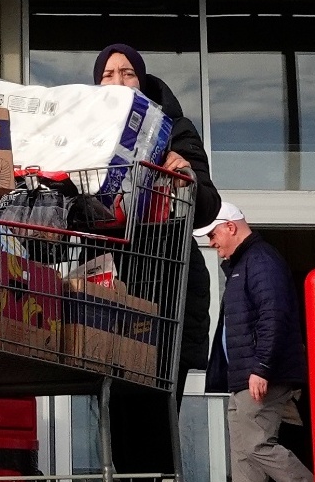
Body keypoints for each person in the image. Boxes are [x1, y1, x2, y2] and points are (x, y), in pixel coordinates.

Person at [94, 43, 222, 477]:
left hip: (167, 289)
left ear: (143, 82)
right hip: (110, 288)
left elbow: (206, 204)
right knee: (114, 417)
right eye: (108, 75)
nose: (118, 81)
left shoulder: (175, 129)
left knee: (154, 413)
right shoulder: (85, 134)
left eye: (127, 73)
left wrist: (183, 174)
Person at [203, 202, 313, 482]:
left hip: (260, 374)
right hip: (242, 377)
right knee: (242, 456)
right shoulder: (243, 265)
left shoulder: (261, 260)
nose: (211, 243)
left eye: (213, 235)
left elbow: (273, 314)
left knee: (256, 445)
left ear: (231, 227)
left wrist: (262, 367)